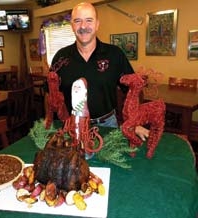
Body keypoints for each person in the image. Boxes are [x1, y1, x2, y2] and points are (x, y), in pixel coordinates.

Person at [45, 2, 149, 141]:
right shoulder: (60, 57)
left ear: (97, 24)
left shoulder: (115, 54)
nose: (83, 26)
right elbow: (50, 94)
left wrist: (135, 122)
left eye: (89, 20)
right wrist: (49, 121)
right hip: (71, 127)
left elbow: (133, 90)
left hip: (107, 126)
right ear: (72, 25)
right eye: (77, 21)